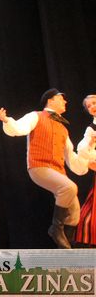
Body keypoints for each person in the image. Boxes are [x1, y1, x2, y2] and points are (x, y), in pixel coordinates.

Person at [0, 88, 89, 248]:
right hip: (39, 167)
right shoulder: (36, 116)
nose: (65, 101)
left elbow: (72, 159)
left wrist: (87, 152)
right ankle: (56, 228)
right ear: (50, 100)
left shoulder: (63, 129)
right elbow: (19, 128)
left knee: (75, 211)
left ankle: (67, 247)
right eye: (61, 98)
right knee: (69, 187)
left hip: (58, 171)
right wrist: (6, 120)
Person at [75, 94, 96, 246]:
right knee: (90, 216)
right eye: (89, 106)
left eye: (94, 103)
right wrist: (90, 161)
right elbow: (82, 149)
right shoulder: (91, 129)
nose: (92, 107)